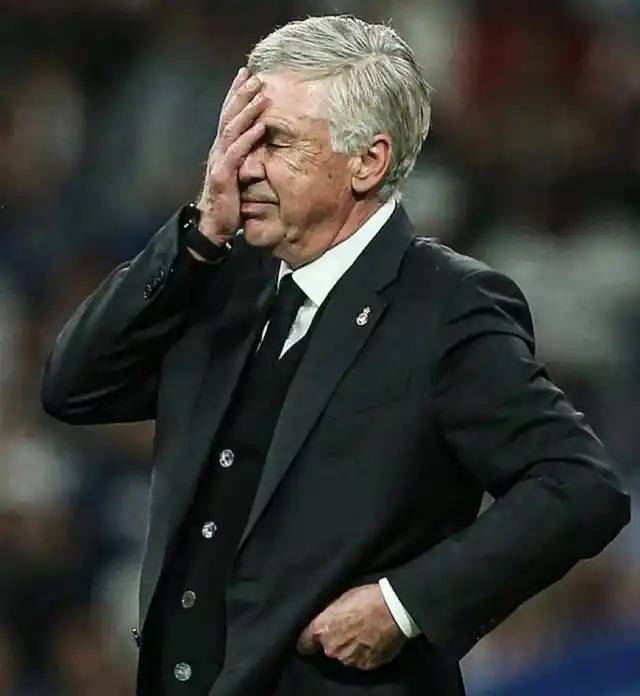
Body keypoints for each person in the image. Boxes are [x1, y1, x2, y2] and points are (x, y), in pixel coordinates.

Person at [40, 15, 631, 696]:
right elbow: (74, 387)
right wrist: (197, 234)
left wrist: (403, 605)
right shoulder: (215, 277)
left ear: (368, 162)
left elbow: (578, 487)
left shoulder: (444, 306)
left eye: (275, 141)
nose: (245, 167)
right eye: (239, 139)